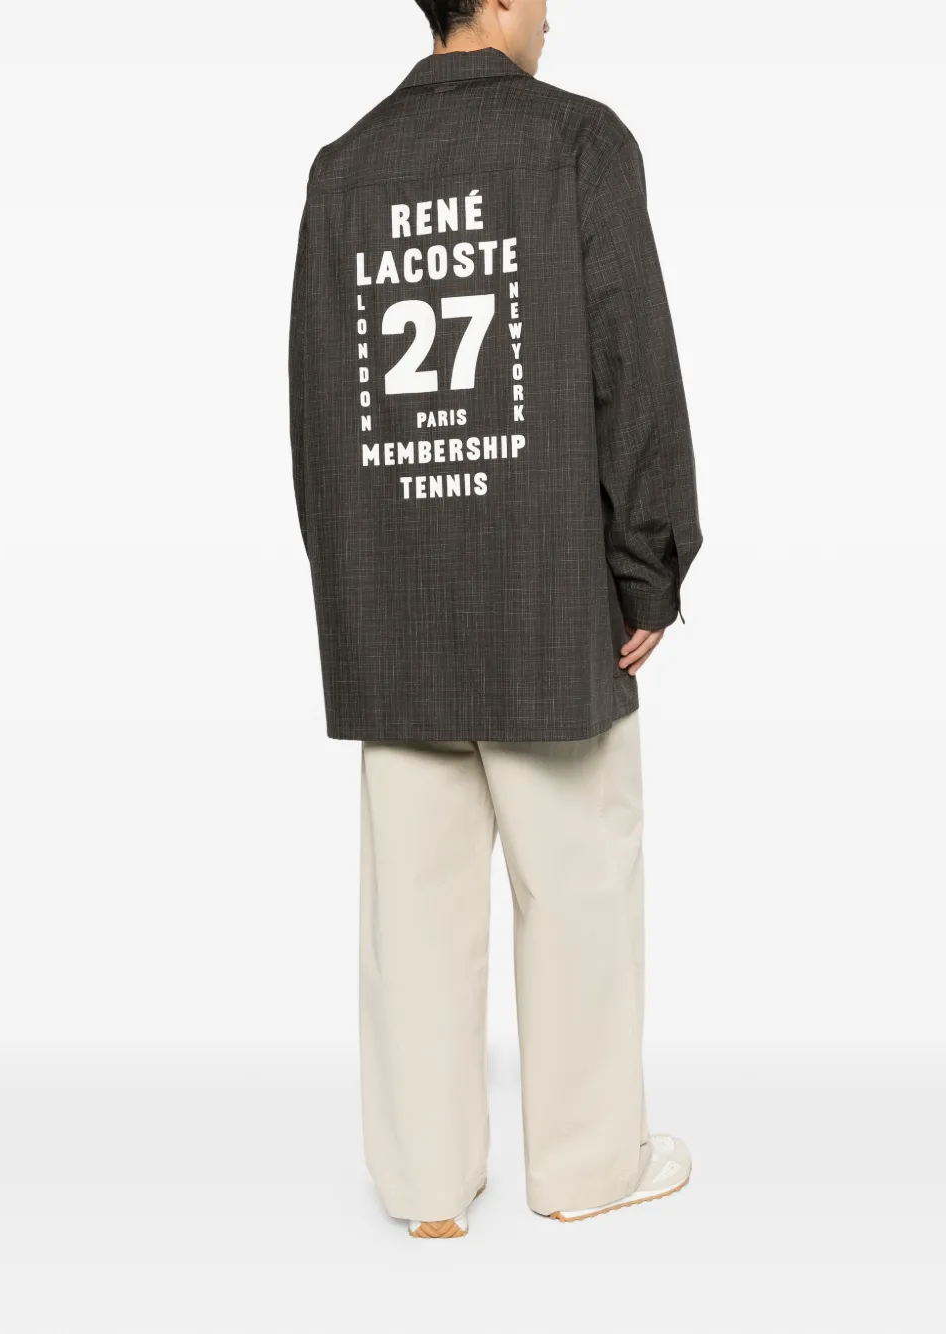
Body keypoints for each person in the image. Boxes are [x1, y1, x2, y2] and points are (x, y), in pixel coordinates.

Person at [288, 0, 702, 1238]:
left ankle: (425, 1189)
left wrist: (349, 588)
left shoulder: (343, 169)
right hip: (550, 593)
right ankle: (584, 1169)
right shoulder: (576, 141)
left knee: (411, 913)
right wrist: (648, 563)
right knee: (577, 893)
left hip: (395, 600)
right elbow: (629, 358)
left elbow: (318, 405)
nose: (554, 19)